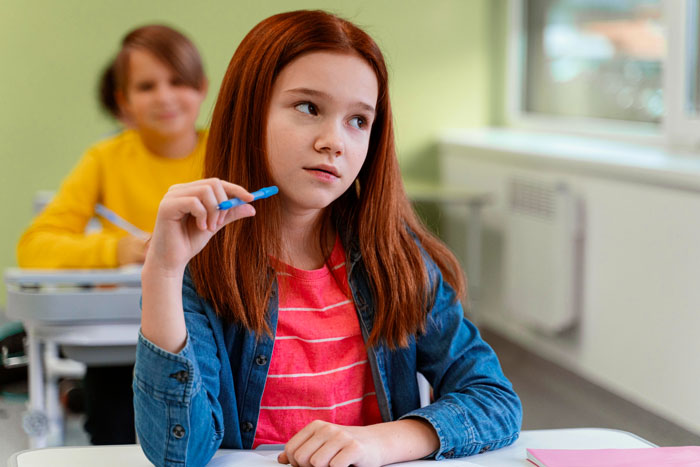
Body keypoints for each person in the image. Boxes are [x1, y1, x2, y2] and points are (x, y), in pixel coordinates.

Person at [134, 10, 522, 467]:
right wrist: (162, 272)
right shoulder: (201, 268)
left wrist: (385, 440)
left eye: (358, 120)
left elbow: (494, 399)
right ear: (248, 112)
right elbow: (178, 455)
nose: (333, 142)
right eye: (308, 108)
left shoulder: (397, 259)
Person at [17, 24, 208, 444]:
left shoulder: (225, 151)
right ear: (124, 101)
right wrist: (120, 248)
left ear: (202, 88)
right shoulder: (105, 159)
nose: (164, 96)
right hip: (120, 340)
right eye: (146, 86)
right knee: (115, 434)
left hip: (211, 333)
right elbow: (35, 246)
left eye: (177, 81)